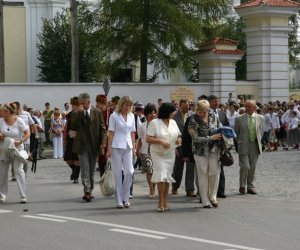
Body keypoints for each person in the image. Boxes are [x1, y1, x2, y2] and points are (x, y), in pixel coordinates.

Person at [71, 93, 106, 202]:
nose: (81, 105)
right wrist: (79, 113)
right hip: (82, 145)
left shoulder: (97, 112)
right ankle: (86, 191)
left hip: (94, 145)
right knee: (85, 169)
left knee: (91, 169)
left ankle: (90, 190)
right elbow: (74, 126)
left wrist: (102, 142)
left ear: (88, 102)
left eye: (83, 103)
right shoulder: (76, 113)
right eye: (79, 103)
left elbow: (102, 129)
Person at [146, 102, 181, 212]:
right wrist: (160, 141)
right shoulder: (154, 123)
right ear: (167, 112)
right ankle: (160, 201)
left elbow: (178, 135)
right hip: (158, 153)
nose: (174, 113)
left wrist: (179, 139)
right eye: (173, 111)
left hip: (170, 153)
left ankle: (165, 201)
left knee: (167, 177)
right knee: (161, 175)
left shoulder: (173, 122)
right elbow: (148, 139)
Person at [187, 100, 222, 208]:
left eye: (204, 111)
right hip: (199, 151)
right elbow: (195, 138)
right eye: (199, 111)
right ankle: (205, 199)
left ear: (208, 110)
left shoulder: (213, 116)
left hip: (214, 149)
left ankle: (213, 196)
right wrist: (210, 137)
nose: (201, 114)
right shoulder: (192, 119)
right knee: (202, 174)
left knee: (215, 172)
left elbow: (219, 126)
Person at [106, 96, 136, 208]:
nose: (127, 107)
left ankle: (126, 197)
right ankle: (119, 200)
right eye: (125, 105)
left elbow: (133, 132)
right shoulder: (114, 116)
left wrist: (134, 148)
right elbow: (111, 133)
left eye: (129, 105)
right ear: (121, 105)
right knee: (117, 174)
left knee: (129, 172)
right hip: (116, 146)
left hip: (128, 146)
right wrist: (108, 149)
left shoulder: (132, 116)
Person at [0, 103, 30, 203]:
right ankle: (2, 195)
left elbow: (27, 132)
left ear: (7, 112)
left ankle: (23, 195)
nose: (0, 113)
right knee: (3, 173)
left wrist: (21, 141)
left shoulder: (18, 120)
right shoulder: (1, 121)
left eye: (1, 111)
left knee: (19, 171)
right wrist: (7, 139)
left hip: (17, 148)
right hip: (4, 149)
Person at [234, 100, 264, 195]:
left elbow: (261, 132)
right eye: (245, 106)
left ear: (254, 108)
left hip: (255, 145)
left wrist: (257, 141)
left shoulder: (261, 118)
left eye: (249, 107)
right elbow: (236, 133)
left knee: (252, 167)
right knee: (245, 166)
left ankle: (250, 186)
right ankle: (242, 185)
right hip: (243, 145)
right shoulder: (239, 119)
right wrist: (240, 142)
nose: (246, 108)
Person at [171, 99, 196, 197]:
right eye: (184, 107)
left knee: (191, 168)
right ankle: (175, 186)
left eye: (187, 107)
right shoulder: (174, 117)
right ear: (179, 106)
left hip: (190, 146)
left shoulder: (192, 116)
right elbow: (172, 133)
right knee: (178, 168)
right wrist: (174, 148)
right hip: (178, 145)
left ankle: (190, 189)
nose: (186, 109)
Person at [208, 95, 229, 199]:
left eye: (217, 101)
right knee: (211, 170)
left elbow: (227, 128)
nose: (216, 103)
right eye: (214, 101)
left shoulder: (222, 113)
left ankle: (220, 191)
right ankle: (207, 192)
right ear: (209, 102)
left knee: (220, 168)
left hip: (221, 144)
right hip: (209, 144)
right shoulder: (206, 113)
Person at [136, 103, 157, 198]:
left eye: (154, 113)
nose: (153, 115)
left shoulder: (158, 124)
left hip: (157, 151)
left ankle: (154, 185)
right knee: (149, 170)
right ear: (146, 114)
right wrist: (137, 150)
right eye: (151, 113)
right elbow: (140, 139)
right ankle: (151, 189)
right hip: (145, 151)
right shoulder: (142, 126)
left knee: (155, 171)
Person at [63, 97, 82, 183]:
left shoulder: (83, 113)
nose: (73, 106)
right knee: (68, 159)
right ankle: (74, 171)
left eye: (74, 105)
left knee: (77, 159)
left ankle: (76, 176)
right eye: (73, 105)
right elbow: (66, 126)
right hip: (70, 138)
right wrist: (64, 138)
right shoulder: (69, 114)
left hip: (80, 139)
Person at [95, 94, 111, 177]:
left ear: (103, 103)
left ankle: (108, 174)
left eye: (98, 103)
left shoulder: (110, 112)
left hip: (109, 137)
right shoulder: (96, 112)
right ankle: (102, 175)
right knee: (101, 157)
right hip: (99, 136)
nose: (97, 105)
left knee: (106, 157)